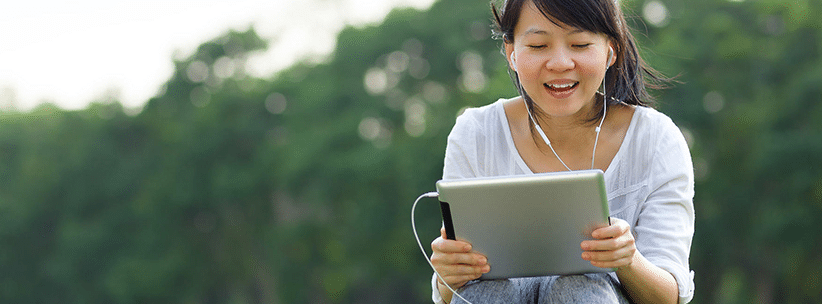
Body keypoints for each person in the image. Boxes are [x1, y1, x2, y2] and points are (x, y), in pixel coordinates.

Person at [429, 0, 695, 303]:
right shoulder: (475, 133)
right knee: (488, 293)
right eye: (539, 45)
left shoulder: (656, 139)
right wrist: (447, 274)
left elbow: (668, 296)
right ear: (511, 52)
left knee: (579, 291)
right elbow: (454, 294)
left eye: (580, 44)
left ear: (611, 49)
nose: (560, 63)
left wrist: (627, 260)